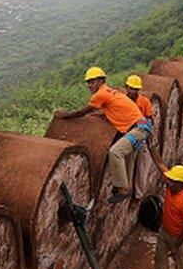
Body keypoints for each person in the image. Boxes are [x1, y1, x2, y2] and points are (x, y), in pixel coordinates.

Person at [56, 67, 152, 204]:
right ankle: (127, 186)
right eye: (88, 82)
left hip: (138, 129)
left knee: (115, 152)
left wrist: (65, 115)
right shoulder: (111, 91)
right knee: (128, 155)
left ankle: (123, 189)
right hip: (138, 128)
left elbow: (82, 112)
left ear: (101, 81)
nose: (89, 85)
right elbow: (109, 109)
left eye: (92, 81)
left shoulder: (100, 94)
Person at [147, 164, 183, 269]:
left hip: (177, 236)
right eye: (169, 180)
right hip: (164, 230)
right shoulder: (170, 188)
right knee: (160, 255)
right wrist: (152, 148)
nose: (167, 182)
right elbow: (160, 164)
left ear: (180, 184)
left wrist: (176, 245)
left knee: (180, 259)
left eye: (172, 181)